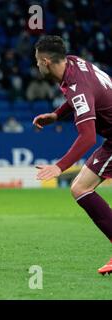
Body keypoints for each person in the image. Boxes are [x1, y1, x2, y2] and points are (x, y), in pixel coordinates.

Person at [32, 35, 112, 275]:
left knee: (80, 189)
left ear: (46, 61)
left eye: (37, 61)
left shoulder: (77, 86)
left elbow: (87, 137)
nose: (36, 65)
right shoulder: (74, 63)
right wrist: (57, 114)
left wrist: (59, 167)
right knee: (80, 188)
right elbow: (83, 98)